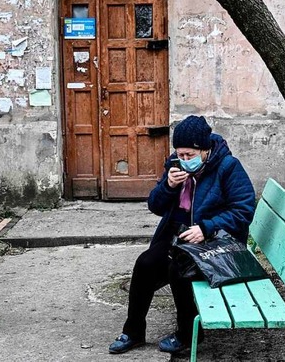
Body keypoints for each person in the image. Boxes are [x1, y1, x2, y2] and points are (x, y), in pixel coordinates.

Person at [109, 115, 256, 354]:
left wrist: (207, 228)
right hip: (180, 238)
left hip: (217, 242)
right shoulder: (174, 165)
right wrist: (168, 186)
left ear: (205, 150)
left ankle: (188, 335)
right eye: (180, 154)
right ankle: (133, 331)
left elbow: (244, 210)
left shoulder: (228, 167)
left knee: (179, 270)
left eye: (190, 155)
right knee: (145, 263)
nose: (184, 160)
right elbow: (155, 206)